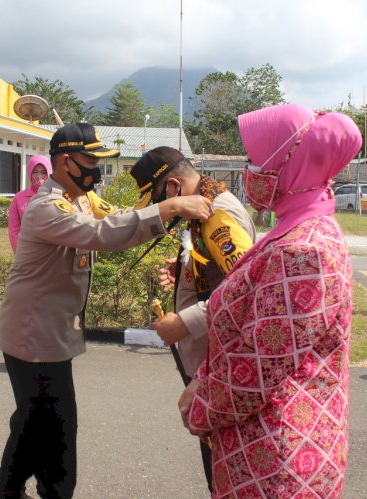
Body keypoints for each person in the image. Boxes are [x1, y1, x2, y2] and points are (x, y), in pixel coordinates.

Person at [0, 123, 212, 498]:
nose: (96, 168)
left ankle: (15, 490)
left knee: (35, 424)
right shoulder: (48, 207)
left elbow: (119, 216)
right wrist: (171, 205)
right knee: (52, 427)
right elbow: (104, 233)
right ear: (65, 162)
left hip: (49, 336)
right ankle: (37, 491)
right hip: (33, 338)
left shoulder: (81, 198)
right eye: (90, 160)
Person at [178, 104, 362, 497]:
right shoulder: (296, 229)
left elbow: (260, 366)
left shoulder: (304, 252)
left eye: (255, 160)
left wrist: (202, 404)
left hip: (276, 460)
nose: (250, 171)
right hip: (269, 447)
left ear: (289, 163)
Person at [130, 146, 256, 493]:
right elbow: (219, 270)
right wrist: (186, 268)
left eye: (160, 201)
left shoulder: (216, 214)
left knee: (222, 469)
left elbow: (246, 291)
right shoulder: (204, 204)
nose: (165, 212)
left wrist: (184, 322)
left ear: (172, 187)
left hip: (217, 363)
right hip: (208, 361)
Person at [8, 155, 52, 252]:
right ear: (29, 173)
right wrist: (20, 253)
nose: (39, 176)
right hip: (27, 254)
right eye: (35, 172)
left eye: (43, 172)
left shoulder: (56, 196)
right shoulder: (18, 198)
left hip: (51, 255)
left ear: (49, 173)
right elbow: (13, 230)